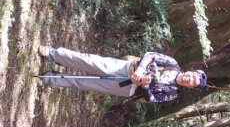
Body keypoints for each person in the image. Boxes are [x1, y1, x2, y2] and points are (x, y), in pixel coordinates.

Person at [38, 46, 208, 103]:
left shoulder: (173, 92)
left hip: (128, 88)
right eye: (192, 77)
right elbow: (150, 55)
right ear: (191, 72)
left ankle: (50, 78)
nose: (189, 80)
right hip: (127, 69)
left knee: (85, 83)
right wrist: (141, 70)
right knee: (88, 61)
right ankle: (52, 53)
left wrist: (146, 85)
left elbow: (153, 99)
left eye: (192, 83)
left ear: (190, 87)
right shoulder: (172, 63)